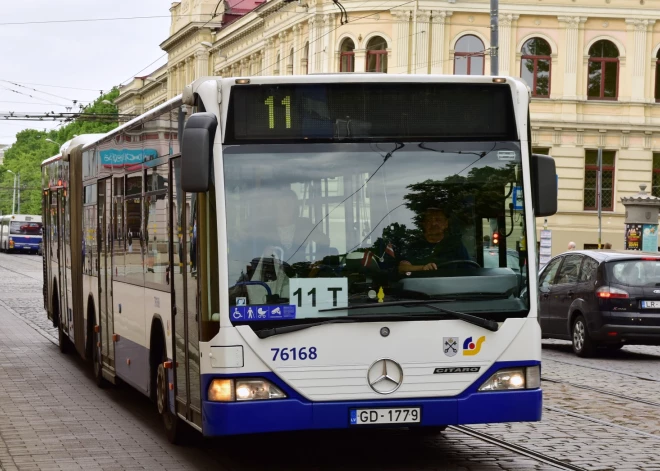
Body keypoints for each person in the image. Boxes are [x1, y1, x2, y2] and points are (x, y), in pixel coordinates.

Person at [398, 207, 469, 273]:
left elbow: (470, 271)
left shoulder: (456, 246)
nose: (433, 224)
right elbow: (402, 268)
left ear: (446, 223)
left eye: (438, 220)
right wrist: (423, 268)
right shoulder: (415, 247)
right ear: (424, 224)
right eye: (429, 220)